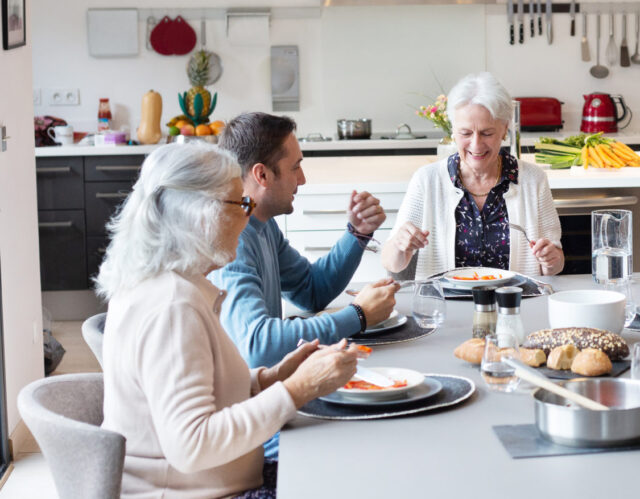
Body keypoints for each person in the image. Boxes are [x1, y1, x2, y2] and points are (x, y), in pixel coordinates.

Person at [96, 142, 360, 498]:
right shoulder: (173, 307)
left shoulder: (160, 284)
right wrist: (298, 389)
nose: (249, 215)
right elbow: (192, 445)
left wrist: (271, 378)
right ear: (200, 215)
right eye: (241, 203)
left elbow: (205, 390)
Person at [210, 112, 398, 458]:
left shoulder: (260, 224)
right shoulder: (232, 241)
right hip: (250, 432)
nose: (303, 179)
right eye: (295, 166)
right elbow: (256, 344)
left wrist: (356, 234)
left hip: (265, 401)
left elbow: (311, 289)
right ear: (262, 175)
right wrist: (358, 316)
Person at [383, 72, 564, 277]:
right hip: (444, 306)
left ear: (504, 129)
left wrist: (551, 260)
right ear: (453, 129)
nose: (476, 145)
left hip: (514, 305)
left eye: (487, 133)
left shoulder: (533, 180)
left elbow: (555, 263)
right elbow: (391, 263)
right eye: (465, 133)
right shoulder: (427, 180)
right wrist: (400, 245)